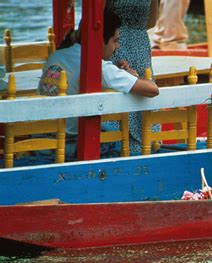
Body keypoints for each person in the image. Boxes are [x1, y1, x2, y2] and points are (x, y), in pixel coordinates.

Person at [38, 8, 159, 158]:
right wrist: (130, 75)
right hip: (67, 143)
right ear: (100, 39)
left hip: (39, 137)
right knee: (115, 140)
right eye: (115, 40)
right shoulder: (98, 66)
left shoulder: (56, 56)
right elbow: (152, 89)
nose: (117, 46)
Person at [106, 0, 159, 154]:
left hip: (123, 40)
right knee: (125, 88)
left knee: (139, 89)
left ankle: (127, 143)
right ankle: (131, 144)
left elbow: (151, 21)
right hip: (121, 41)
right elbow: (151, 22)